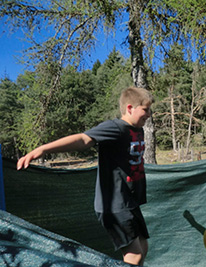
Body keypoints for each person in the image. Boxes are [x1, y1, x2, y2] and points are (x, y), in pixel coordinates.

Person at [17, 86, 154, 266]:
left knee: (143, 247)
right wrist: (42, 149)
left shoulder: (138, 129)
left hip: (130, 202)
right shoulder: (115, 128)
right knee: (134, 256)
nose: (149, 114)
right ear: (130, 108)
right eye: (145, 110)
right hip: (114, 205)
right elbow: (83, 139)